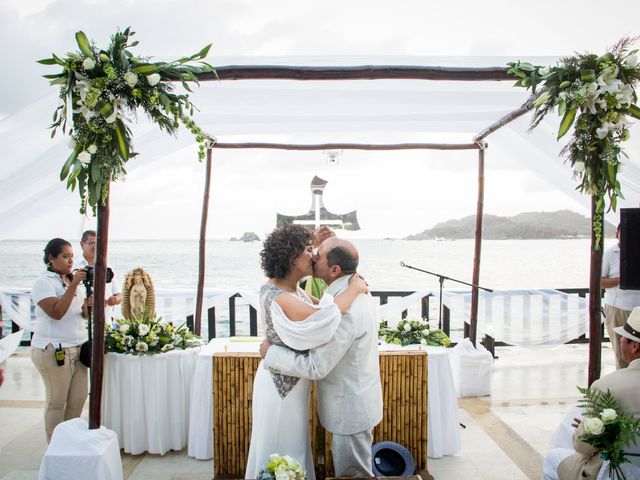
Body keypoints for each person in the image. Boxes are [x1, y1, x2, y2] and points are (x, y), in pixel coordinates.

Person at [245, 225, 368, 480]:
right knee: (280, 448)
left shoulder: (291, 289)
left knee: (292, 449)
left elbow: (325, 304)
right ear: (291, 258)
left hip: (291, 384)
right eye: (308, 251)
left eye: (314, 250)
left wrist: (318, 243)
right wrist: (353, 290)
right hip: (280, 389)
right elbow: (325, 316)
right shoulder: (280, 297)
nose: (313, 255)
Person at [542, 306, 640, 480]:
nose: (619, 341)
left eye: (622, 337)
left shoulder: (607, 386)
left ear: (634, 347)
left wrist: (585, 429)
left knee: (553, 458)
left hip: (618, 473)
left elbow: (584, 447)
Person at [30, 238, 90, 442]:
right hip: (53, 350)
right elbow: (57, 312)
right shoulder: (43, 282)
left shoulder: (71, 280)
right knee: (57, 401)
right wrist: (74, 285)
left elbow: (80, 314)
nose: (70, 260)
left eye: (72, 256)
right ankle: (55, 447)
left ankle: (69, 443)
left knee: (78, 399)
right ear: (50, 258)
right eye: (65, 256)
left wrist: (87, 306)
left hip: (79, 348)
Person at [601, 224, 640, 369]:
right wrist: (624, 278)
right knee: (621, 353)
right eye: (622, 233)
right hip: (618, 309)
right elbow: (599, 282)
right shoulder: (610, 253)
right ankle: (622, 386)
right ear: (616, 234)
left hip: (639, 309)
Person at [75, 230, 121, 322]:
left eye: (97, 244)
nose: (94, 247)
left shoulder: (107, 267)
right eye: (91, 243)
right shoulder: (75, 267)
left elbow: (118, 294)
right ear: (81, 244)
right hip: (82, 323)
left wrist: (115, 299)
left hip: (106, 322)